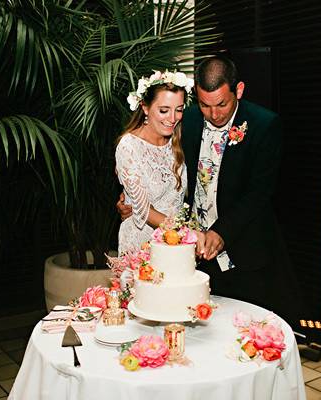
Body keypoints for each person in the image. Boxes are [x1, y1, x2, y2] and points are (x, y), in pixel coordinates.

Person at [118, 56, 303, 325]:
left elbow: (259, 193)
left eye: (221, 104)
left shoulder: (265, 125)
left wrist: (221, 233)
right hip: (188, 254)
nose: (213, 114)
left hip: (241, 253)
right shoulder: (185, 119)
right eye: (205, 104)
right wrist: (131, 199)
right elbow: (150, 161)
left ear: (238, 90)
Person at [115, 70, 196, 255]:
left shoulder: (178, 140)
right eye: (164, 110)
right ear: (145, 107)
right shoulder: (129, 146)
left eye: (179, 110)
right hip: (142, 246)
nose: (173, 118)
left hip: (175, 248)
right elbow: (143, 209)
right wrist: (184, 234)